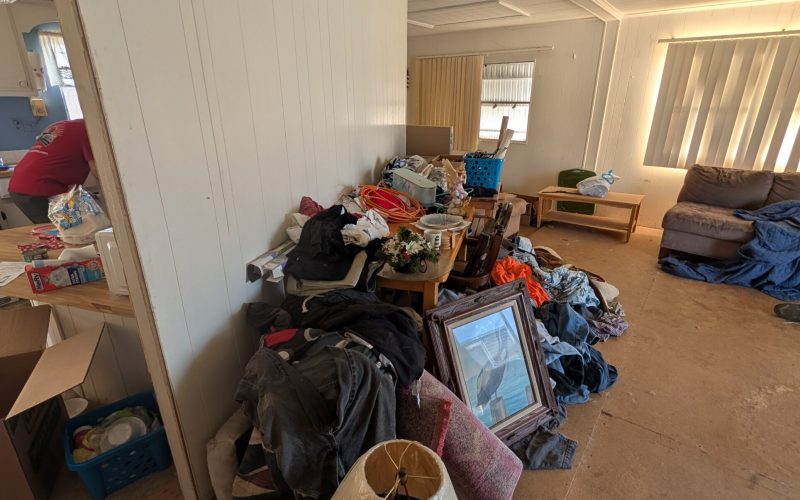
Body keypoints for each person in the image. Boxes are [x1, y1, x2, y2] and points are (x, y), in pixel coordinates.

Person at [8, 118, 97, 223]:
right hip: (39, 189)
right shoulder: (90, 131)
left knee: (65, 231)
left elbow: (60, 163)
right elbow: (100, 172)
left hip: (20, 184)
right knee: (66, 231)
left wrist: (80, 195)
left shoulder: (65, 125)